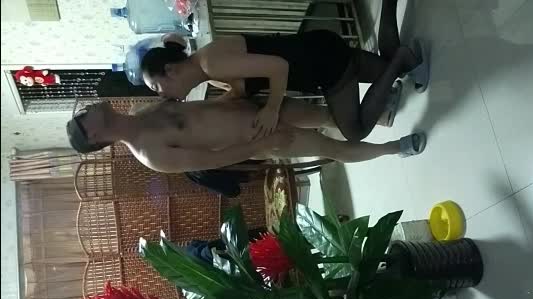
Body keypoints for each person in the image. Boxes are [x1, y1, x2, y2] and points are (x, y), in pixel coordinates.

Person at [140, 0, 428, 142]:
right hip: (317, 48)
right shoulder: (209, 67)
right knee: (389, 66)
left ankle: (401, 59)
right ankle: (396, 42)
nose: (161, 94)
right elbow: (240, 92)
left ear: (170, 70)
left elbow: (278, 67)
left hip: (321, 64)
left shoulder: (212, 64)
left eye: (156, 86)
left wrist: (272, 108)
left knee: (354, 131)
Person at [65, 98, 426, 173]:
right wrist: (261, 145)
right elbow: (212, 159)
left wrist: (232, 96)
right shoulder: (151, 154)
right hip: (257, 137)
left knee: (325, 113)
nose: (90, 107)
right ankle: (394, 148)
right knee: (332, 147)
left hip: (254, 108)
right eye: (85, 115)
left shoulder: (142, 111)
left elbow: (199, 110)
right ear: (93, 134)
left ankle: (382, 113)